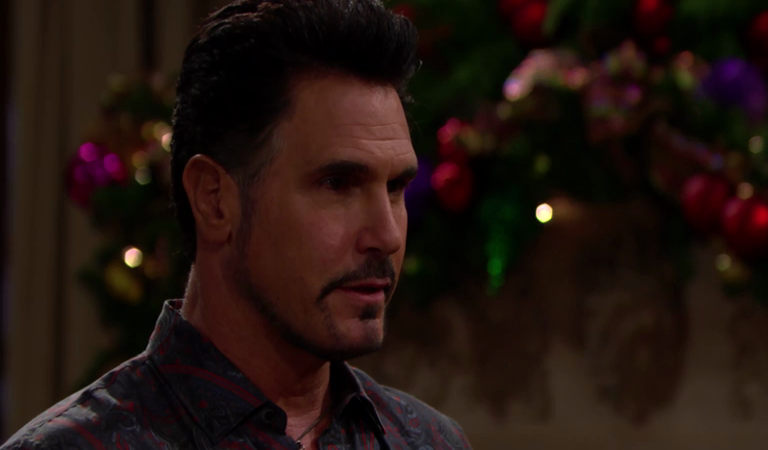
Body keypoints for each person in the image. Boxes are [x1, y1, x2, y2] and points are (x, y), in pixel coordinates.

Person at [2, 0, 472, 448]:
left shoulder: (428, 442)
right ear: (214, 200)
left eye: (395, 188)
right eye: (337, 184)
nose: (386, 236)